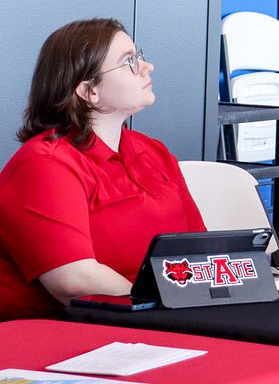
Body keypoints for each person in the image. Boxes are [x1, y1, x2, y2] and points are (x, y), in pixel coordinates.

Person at [0, 19, 206, 320]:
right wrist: (158, 308)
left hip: (148, 319)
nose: (147, 67)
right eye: (129, 62)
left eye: (139, 56)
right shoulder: (44, 165)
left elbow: (198, 248)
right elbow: (75, 281)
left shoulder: (153, 152)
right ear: (89, 91)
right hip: (60, 334)